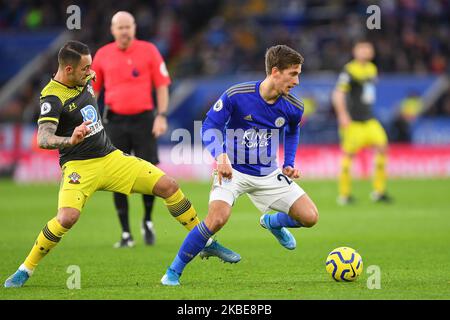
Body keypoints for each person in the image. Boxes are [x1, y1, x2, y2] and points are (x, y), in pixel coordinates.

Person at [4, 40, 240, 288]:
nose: (90, 72)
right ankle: (25, 269)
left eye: (91, 66)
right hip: (79, 166)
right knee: (66, 218)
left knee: (169, 186)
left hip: (111, 158)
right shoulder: (52, 97)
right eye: (85, 68)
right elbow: (43, 138)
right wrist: (69, 139)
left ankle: (206, 244)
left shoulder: (86, 77)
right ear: (68, 70)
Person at [161, 45, 319, 286]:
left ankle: (272, 222)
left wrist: (288, 163)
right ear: (275, 72)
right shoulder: (238, 94)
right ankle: (173, 272)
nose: (297, 81)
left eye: (299, 74)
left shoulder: (294, 107)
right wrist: (220, 156)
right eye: (293, 74)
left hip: (268, 173)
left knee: (310, 217)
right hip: (232, 170)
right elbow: (210, 126)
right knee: (216, 220)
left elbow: (292, 131)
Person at [91, 11, 169, 247]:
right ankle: (126, 233)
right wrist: (91, 120)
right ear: (113, 30)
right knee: (117, 176)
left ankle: (147, 220)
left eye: (128, 26)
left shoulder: (149, 51)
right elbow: (93, 92)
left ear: (134, 27)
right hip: (114, 122)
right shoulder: (103, 55)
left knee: (148, 172)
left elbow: (162, 85)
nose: (124, 31)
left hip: (144, 120)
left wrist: (161, 116)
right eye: (120, 27)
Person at [332, 40, 391, 205]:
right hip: (354, 122)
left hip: (369, 120)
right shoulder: (349, 70)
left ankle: (379, 192)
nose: (366, 51)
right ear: (355, 51)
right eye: (362, 49)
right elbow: (338, 94)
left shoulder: (372, 69)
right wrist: (343, 115)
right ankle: (344, 195)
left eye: (368, 48)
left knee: (383, 148)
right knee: (348, 155)